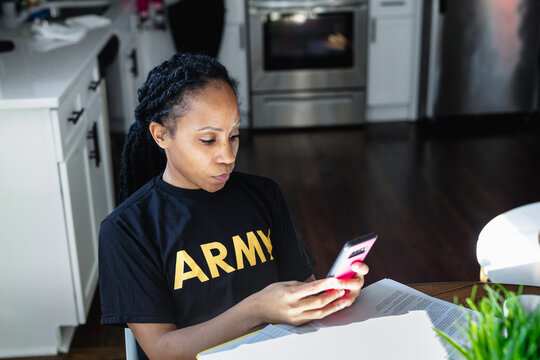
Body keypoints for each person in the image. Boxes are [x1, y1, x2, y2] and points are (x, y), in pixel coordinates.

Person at [98, 52, 369, 360]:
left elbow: (301, 290)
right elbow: (163, 350)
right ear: (161, 135)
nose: (227, 155)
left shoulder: (264, 195)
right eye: (208, 141)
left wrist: (330, 296)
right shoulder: (126, 230)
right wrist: (255, 309)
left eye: (234, 135)